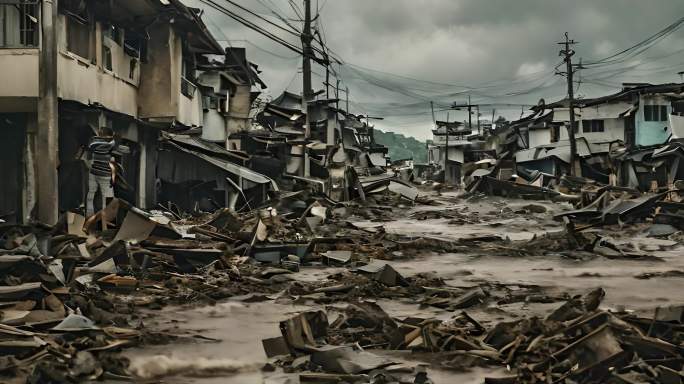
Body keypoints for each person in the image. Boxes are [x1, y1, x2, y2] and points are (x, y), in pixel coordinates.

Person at [85, 129, 118, 216]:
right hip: (105, 174)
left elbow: (88, 157)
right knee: (107, 198)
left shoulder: (93, 142)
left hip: (93, 172)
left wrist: (91, 166)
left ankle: (89, 216)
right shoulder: (111, 144)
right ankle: (105, 220)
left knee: (91, 194)